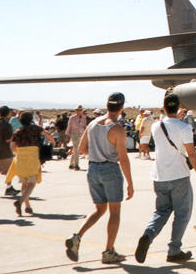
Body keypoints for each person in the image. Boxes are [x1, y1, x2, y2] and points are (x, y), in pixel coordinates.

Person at [134, 93, 196, 264]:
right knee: (182, 214)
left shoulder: (156, 126)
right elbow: (192, 154)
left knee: (161, 211)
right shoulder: (184, 128)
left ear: (164, 108)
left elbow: (166, 125)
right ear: (179, 107)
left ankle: (148, 235)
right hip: (179, 175)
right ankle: (174, 249)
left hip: (159, 176)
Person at [64, 93, 134, 264]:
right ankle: (109, 251)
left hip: (93, 168)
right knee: (114, 212)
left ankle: (77, 236)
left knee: (99, 209)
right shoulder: (117, 128)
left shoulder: (93, 123)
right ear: (122, 107)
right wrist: (130, 183)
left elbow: (82, 148)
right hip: (110, 169)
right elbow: (123, 158)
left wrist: (96, 153)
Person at [8, 112, 55, 214]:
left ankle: (27, 206)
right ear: (31, 119)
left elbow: (12, 147)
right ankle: (20, 202)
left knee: (24, 183)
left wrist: (20, 152)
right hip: (32, 157)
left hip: (20, 158)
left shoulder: (17, 132)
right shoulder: (36, 129)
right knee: (32, 182)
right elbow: (48, 135)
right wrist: (53, 143)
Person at [66, 105, 87, 171]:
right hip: (74, 134)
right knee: (76, 148)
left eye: (80, 110)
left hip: (81, 134)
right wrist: (67, 136)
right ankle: (76, 165)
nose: (79, 111)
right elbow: (69, 127)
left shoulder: (84, 118)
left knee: (76, 149)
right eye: (78, 110)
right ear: (75, 111)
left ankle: (71, 163)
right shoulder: (72, 118)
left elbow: (85, 127)